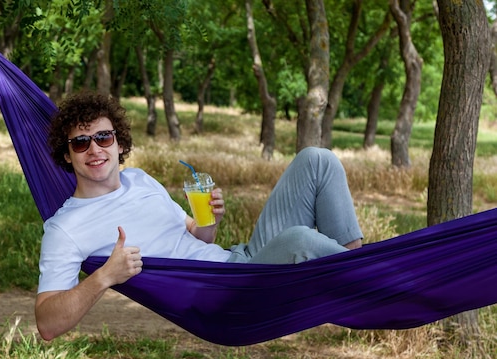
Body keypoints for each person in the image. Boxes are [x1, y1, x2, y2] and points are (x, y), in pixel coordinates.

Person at [35, 91, 363, 341]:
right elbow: (48, 323)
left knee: (317, 160)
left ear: (119, 144)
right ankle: (372, 283)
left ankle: (361, 268)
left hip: (239, 263)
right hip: (228, 301)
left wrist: (209, 221)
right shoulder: (65, 228)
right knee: (300, 241)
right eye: (80, 143)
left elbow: (197, 237)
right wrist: (104, 276)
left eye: (103, 137)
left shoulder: (140, 180)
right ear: (67, 155)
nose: (94, 149)